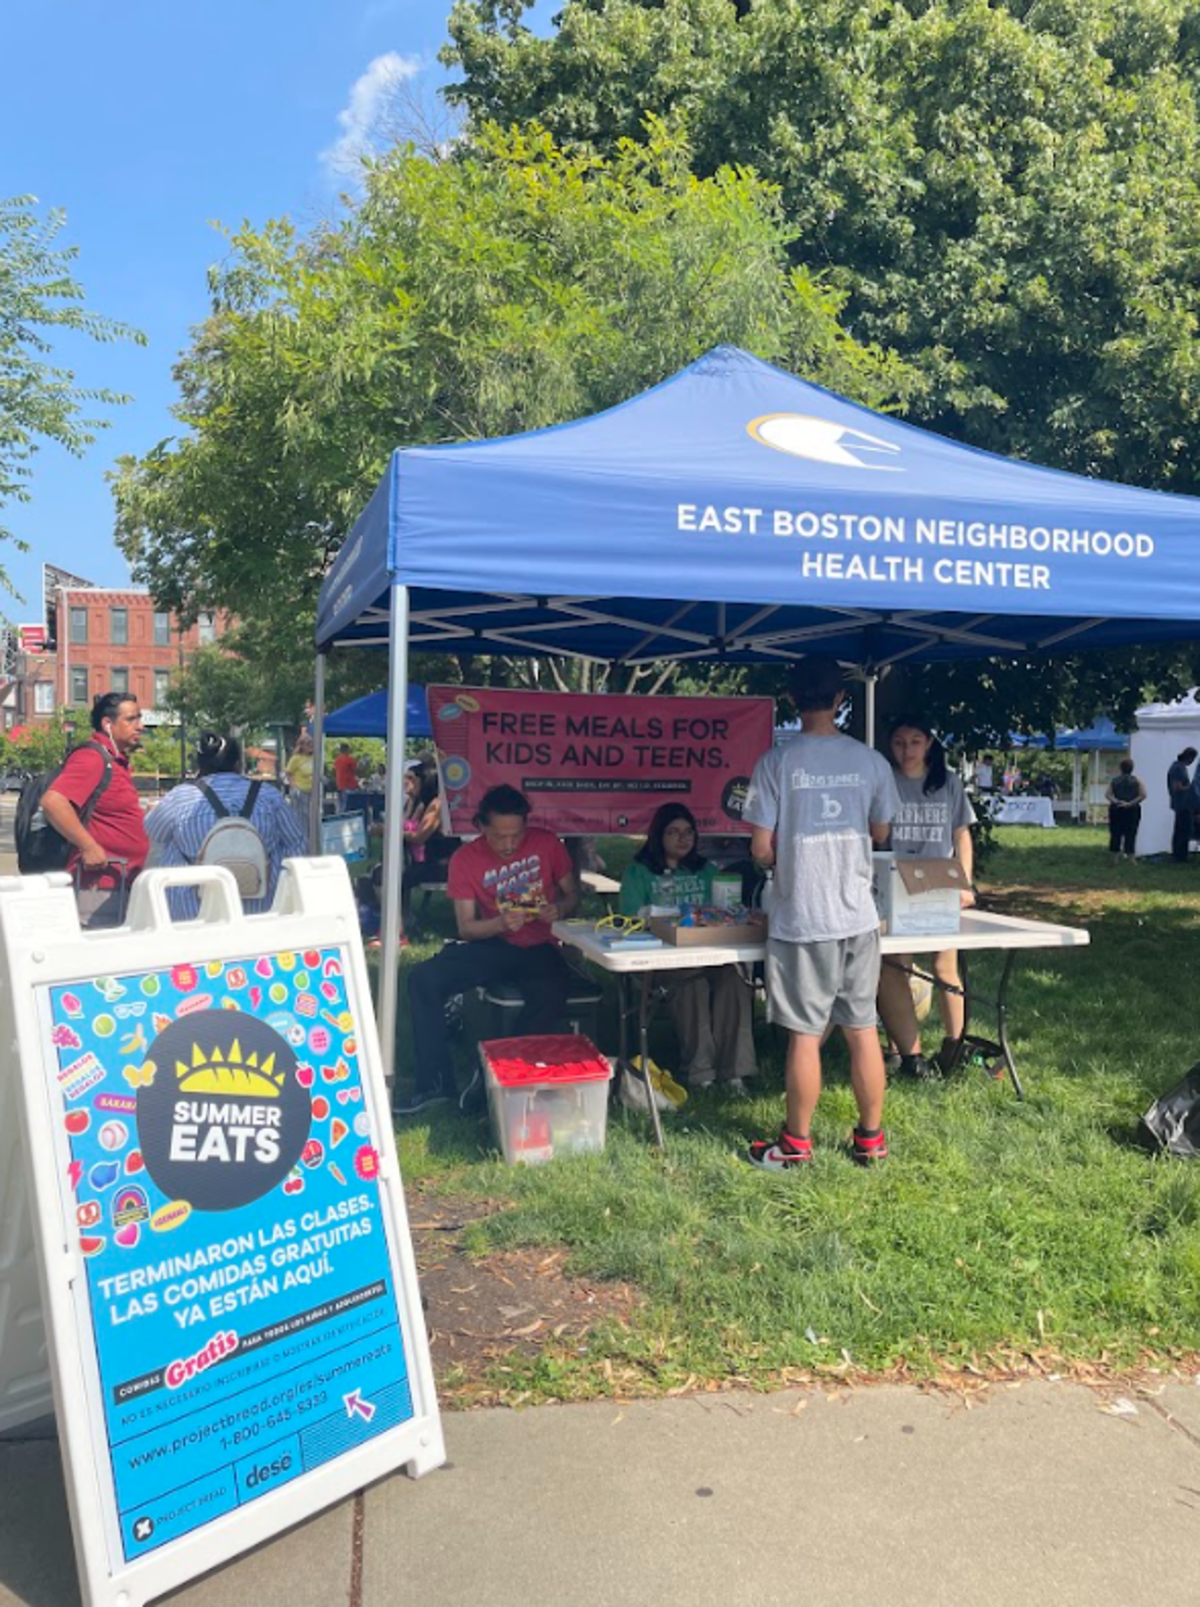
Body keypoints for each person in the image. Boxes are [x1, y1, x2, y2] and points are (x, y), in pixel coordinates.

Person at [743, 655, 898, 1168]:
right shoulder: (870, 761)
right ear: (840, 700)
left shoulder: (775, 762)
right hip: (858, 914)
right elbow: (880, 834)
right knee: (862, 1029)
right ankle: (870, 1141)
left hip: (802, 915)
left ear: (792, 701)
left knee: (805, 1036)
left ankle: (796, 1146)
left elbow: (760, 850)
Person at [399, 785, 581, 1116]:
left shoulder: (547, 843)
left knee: (551, 995)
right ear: (481, 827)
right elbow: (466, 928)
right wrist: (499, 923)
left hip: (540, 944)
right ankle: (435, 1082)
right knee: (423, 979)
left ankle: (496, 1075)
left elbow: (572, 895)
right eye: (499, 836)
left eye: (516, 835)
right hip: (493, 942)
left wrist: (560, 908)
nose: (509, 844)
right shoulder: (466, 859)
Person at [619, 803, 757, 1093]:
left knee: (735, 979)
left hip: (707, 953)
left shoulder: (705, 870)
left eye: (689, 832)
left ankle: (735, 1072)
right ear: (658, 836)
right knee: (690, 981)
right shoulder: (639, 872)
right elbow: (629, 917)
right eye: (674, 832)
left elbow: (721, 912)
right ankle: (701, 1072)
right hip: (660, 962)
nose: (683, 839)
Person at [875, 714, 977, 1080]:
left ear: (929, 743)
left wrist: (965, 883)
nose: (907, 750)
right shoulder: (884, 781)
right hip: (896, 881)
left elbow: (962, 834)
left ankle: (955, 1045)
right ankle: (906, 1050)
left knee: (944, 967)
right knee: (895, 967)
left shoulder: (948, 784)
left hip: (940, 881)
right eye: (899, 742)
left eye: (915, 741)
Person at [145, 731, 307, 918]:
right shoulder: (268, 796)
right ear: (238, 764)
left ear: (200, 765)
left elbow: (154, 832)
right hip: (260, 910)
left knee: (173, 843)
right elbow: (298, 844)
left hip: (193, 913)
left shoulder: (180, 797)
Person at [40, 691, 148, 928]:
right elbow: (53, 802)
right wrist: (88, 846)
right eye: (131, 719)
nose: (139, 726)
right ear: (107, 723)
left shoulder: (113, 760)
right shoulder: (92, 757)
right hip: (98, 887)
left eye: (139, 718)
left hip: (120, 884)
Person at [1105, 758, 1145, 863]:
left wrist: (1117, 801)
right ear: (1132, 768)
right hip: (1132, 810)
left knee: (1115, 833)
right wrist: (1130, 803)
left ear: (1120, 768)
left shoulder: (1115, 781)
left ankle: (1114, 858)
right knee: (1131, 833)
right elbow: (1143, 795)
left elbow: (1108, 795)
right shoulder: (1137, 780)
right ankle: (1131, 858)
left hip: (1116, 810)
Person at [1168, 746, 1197, 863]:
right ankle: (1180, 856)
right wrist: (1192, 786)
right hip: (1182, 803)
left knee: (1180, 829)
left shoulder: (1179, 767)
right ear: (1189, 757)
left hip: (1181, 803)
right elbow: (1177, 787)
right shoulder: (1178, 768)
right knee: (1183, 830)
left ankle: (1180, 855)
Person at [284, 731, 315, 838]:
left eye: (312, 743)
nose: (311, 745)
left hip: (313, 792)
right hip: (300, 791)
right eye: (308, 743)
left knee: (312, 819)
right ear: (302, 746)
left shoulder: (314, 758)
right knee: (301, 819)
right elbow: (288, 773)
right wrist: (294, 787)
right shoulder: (296, 759)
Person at [334, 744, 360, 811]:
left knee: (341, 805)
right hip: (349, 785)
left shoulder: (337, 760)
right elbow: (356, 771)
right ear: (347, 750)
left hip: (339, 785)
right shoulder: (350, 759)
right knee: (348, 806)